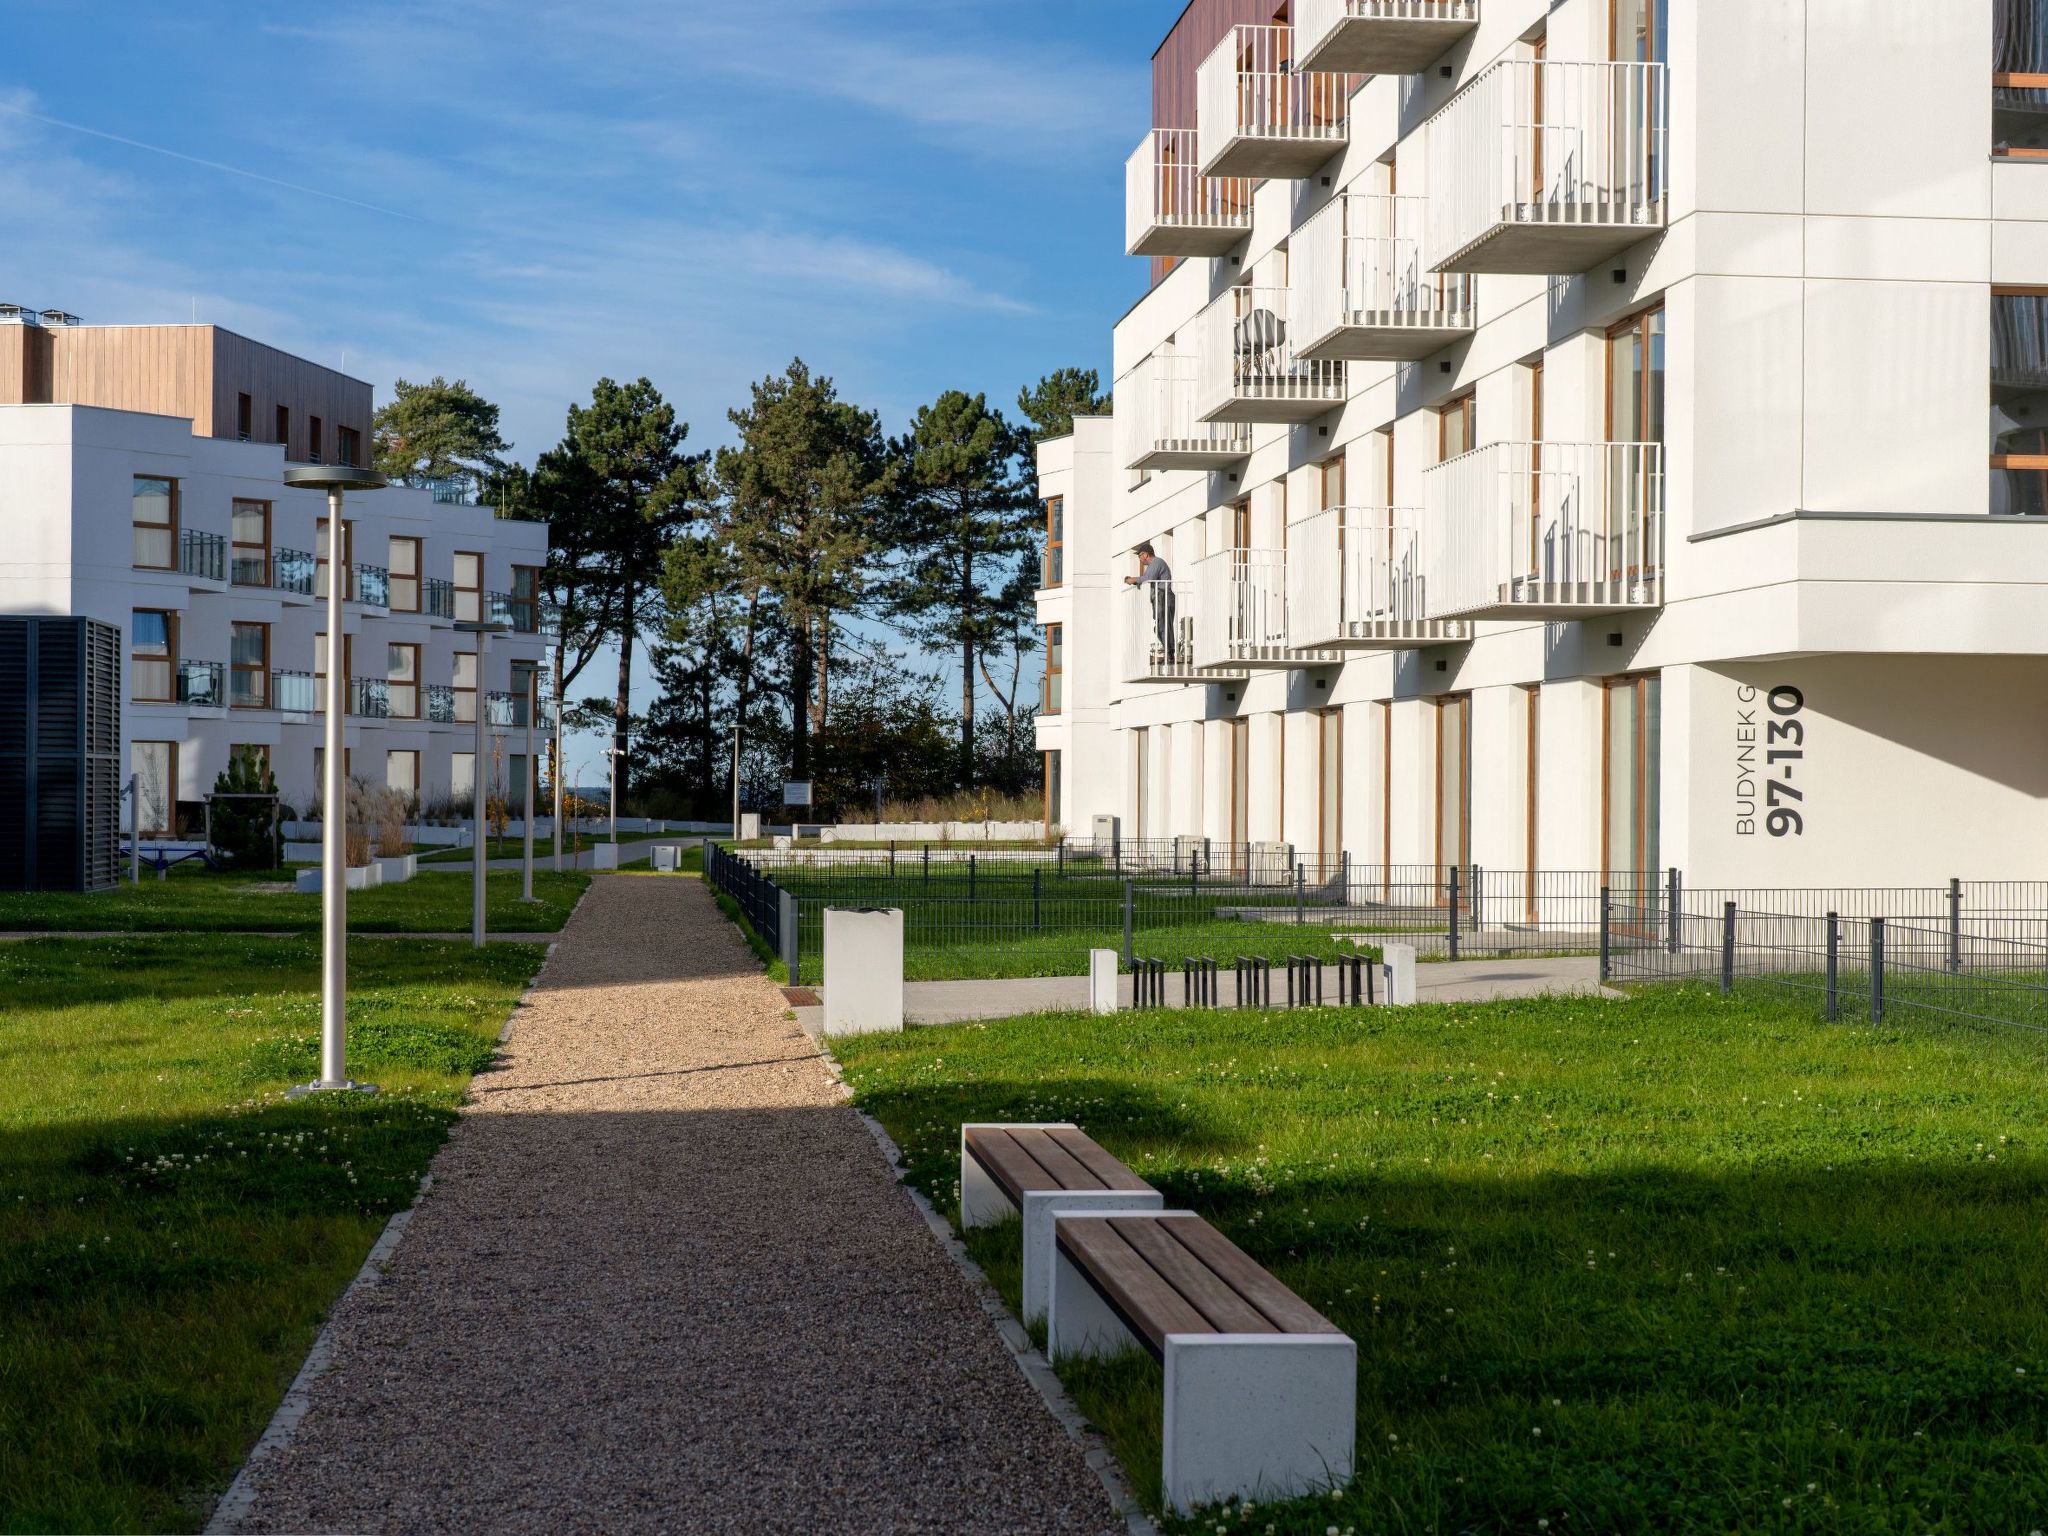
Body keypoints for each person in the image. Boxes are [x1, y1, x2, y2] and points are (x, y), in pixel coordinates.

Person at [1124, 542, 1177, 662]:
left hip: (1163, 597)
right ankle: (1169, 653)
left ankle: (1170, 654)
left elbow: (1147, 578)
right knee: (1160, 627)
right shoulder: (1154, 565)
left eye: (1140, 556)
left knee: (1163, 626)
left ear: (1145, 554)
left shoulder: (1156, 562)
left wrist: (1133, 580)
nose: (1139, 559)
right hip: (1160, 598)